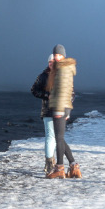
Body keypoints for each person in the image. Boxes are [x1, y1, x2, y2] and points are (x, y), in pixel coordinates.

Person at [45, 44, 82, 179]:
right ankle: (74, 166)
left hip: (60, 106)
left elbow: (67, 90)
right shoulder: (61, 68)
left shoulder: (63, 68)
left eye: (59, 55)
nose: (56, 57)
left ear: (63, 55)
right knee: (59, 138)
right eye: (55, 55)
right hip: (60, 105)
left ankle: (59, 168)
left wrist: (65, 110)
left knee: (58, 138)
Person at [30, 54, 57, 174]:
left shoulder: (62, 76)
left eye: (53, 61)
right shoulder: (43, 76)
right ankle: (49, 163)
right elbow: (34, 90)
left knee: (57, 138)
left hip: (60, 111)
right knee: (50, 136)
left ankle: (57, 163)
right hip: (48, 111)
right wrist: (46, 96)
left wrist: (67, 107)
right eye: (50, 62)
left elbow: (71, 93)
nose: (51, 63)